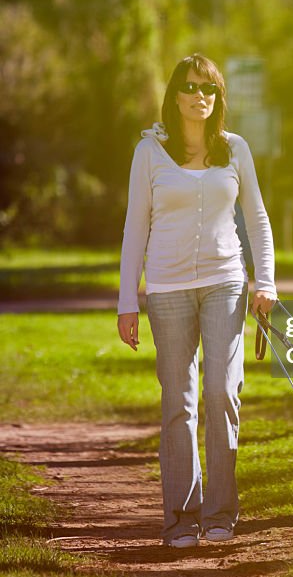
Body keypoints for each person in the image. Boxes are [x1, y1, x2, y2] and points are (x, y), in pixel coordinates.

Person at [117, 53, 277, 549]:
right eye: (190, 87)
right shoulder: (150, 151)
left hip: (226, 283)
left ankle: (221, 513)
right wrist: (128, 299)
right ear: (175, 94)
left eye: (208, 88)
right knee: (178, 403)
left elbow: (258, 220)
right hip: (165, 290)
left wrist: (265, 281)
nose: (199, 96)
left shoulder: (235, 150)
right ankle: (181, 519)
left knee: (221, 394)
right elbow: (134, 227)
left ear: (218, 97)